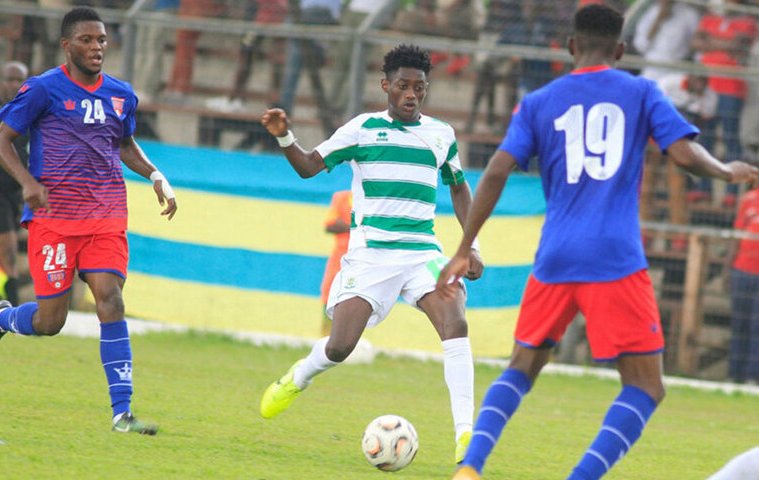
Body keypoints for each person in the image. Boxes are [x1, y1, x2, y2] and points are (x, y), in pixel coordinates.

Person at [437, 5, 759, 479]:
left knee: (521, 368)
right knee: (645, 387)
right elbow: (684, 154)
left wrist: (466, 246)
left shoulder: (540, 101)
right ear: (621, 50)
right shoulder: (641, 91)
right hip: (615, 256)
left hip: (555, 255)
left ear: (571, 46)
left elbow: (498, 169)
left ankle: (470, 467)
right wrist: (726, 171)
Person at [259, 44, 484, 463]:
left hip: (422, 254)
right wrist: (284, 136)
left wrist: (471, 246)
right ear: (385, 86)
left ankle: (467, 435)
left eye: (419, 87)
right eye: (403, 86)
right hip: (371, 257)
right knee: (340, 347)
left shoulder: (441, 135)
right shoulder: (362, 129)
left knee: (455, 323)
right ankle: (298, 376)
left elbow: (458, 187)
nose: (411, 94)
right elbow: (308, 166)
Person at [0, 7, 178, 435]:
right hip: (54, 221)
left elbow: (125, 143)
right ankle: (4, 318)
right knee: (50, 322)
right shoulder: (42, 89)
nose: (97, 47)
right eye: (86, 40)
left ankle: (122, 414)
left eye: (101, 40)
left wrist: (156, 175)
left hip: (105, 216)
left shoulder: (121, 94)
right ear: (67, 46)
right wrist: (27, 182)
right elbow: (3, 140)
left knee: (110, 299)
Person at [690, 0, 757, 207]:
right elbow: (696, 42)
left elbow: (739, 44)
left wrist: (711, 42)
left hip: (731, 87)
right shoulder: (710, 18)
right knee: (705, 139)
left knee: (731, 140)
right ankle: (703, 189)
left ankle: (730, 193)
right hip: (707, 87)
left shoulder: (747, 20)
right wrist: (724, 44)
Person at [0, 61, 29, 306]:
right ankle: (14, 308)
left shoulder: (31, 113)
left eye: (19, 80)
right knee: (8, 250)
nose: (14, 84)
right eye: (9, 79)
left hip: (17, 194)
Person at [728, 186, 759, 384]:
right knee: (740, 323)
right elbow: (737, 234)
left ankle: (753, 376)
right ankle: (734, 374)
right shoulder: (749, 198)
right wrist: (728, 268)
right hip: (742, 269)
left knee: (757, 325)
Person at [631, 0, 700, 87]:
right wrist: (659, 18)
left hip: (676, 69)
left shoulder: (689, 14)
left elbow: (696, 47)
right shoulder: (652, 12)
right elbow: (640, 45)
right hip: (651, 67)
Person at [319, 190, 351, 337]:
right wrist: (357, 227)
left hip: (366, 256)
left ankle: (347, 338)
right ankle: (326, 338)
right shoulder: (343, 197)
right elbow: (330, 225)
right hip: (340, 255)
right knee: (330, 294)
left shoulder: (376, 196)